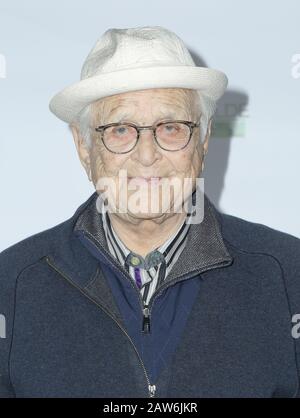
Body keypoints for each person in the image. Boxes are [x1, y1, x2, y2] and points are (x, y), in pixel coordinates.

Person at [0, 26, 300, 398]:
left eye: (171, 127)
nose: (147, 155)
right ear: (84, 147)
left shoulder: (290, 276)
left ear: (203, 141)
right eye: (121, 129)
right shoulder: (9, 284)